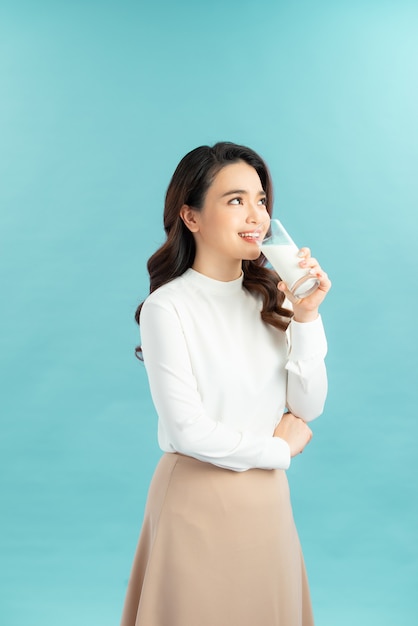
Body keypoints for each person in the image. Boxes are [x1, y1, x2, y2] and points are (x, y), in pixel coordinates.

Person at [120, 141, 331, 626]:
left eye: (260, 201)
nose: (255, 214)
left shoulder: (272, 300)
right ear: (190, 217)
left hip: (267, 503)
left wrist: (307, 316)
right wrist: (279, 451)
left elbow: (308, 405)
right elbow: (188, 429)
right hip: (196, 503)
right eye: (235, 200)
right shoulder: (167, 308)